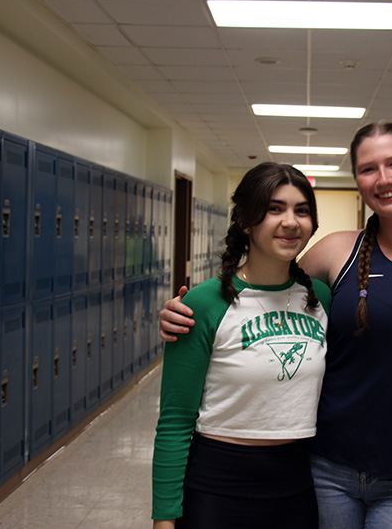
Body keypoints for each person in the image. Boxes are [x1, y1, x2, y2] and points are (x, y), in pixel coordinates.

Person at [159, 122, 392, 529]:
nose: (384, 178)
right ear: (358, 180)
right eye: (368, 169)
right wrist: (185, 314)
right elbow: (263, 287)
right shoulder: (338, 250)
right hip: (324, 470)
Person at [151, 162, 331, 529]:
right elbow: (174, 420)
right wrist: (164, 518)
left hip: (297, 483)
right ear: (245, 220)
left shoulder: (321, 299)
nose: (291, 222)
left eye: (302, 210)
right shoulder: (204, 304)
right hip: (218, 485)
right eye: (274, 208)